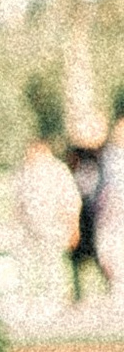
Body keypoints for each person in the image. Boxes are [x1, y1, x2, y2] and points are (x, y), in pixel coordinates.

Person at [14, 134, 82, 303]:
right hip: (29, 228)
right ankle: (35, 301)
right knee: (30, 265)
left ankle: (57, 301)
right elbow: (18, 201)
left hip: (53, 225)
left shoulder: (57, 170)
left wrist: (73, 226)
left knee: (53, 264)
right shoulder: (25, 171)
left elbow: (71, 200)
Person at [65, 122, 108, 300]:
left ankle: (107, 285)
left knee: (94, 253)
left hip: (89, 213)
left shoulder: (94, 162)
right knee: (77, 256)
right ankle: (78, 292)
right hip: (82, 213)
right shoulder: (78, 165)